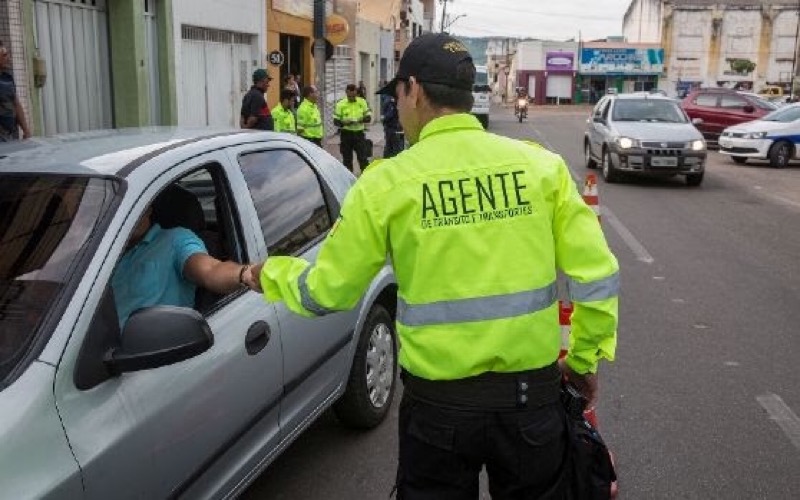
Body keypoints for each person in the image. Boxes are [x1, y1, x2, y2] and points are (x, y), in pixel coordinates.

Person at [248, 33, 619, 498]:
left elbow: (329, 291)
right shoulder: (540, 167)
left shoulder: (387, 183)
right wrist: (583, 361)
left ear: (415, 90)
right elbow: (597, 275)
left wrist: (260, 274)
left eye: (398, 94)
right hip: (531, 404)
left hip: (438, 412)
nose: (398, 106)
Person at [111, 189, 259, 328]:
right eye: (117, 211)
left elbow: (210, 270)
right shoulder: (103, 251)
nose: (126, 217)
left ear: (149, 208)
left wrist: (245, 274)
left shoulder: (176, 240)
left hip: (149, 348)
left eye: (133, 209)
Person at [334, 83, 372, 172]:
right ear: (346, 93)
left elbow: (368, 118)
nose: (351, 98)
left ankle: (365, 179)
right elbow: (335, 121)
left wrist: (360, 120)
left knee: (363, 159)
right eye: (349, 96)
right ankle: (349, 181)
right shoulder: (340, 104)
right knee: (347, 160)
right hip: (346, 135)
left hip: (359, 135)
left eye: (353, 96)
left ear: (356, 93)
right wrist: (343, 122)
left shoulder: (362, 102)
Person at [0, 41, 31, 141]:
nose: (8, 58)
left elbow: (16, 104)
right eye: (4, 55)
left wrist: (26, 130)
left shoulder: (7, 78)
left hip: (9, 134)